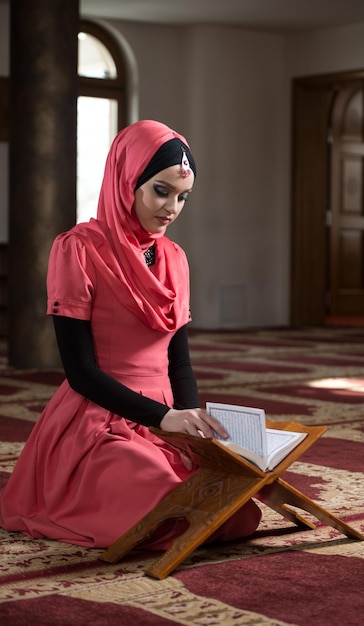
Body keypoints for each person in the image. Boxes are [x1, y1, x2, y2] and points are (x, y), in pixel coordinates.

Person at [0, 120, 262, 549]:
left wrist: (189, 422)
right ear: (127, 180)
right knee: (167, 504)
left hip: (166, 421)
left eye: (183, 197)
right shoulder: (78, 249)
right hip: (97, 420)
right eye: (161, 190)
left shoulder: (175, 258)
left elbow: (179, 360)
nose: (172, 207)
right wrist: (164, 418)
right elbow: (80, 371)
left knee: (237, 510)